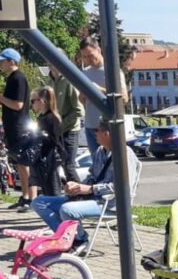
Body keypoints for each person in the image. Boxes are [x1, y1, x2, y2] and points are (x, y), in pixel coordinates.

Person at [31, 123, 137, 256]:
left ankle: (80, 240)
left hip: (110, 203)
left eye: (97, 131)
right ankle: (64, 238)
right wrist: (76, 187)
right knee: (39, 202)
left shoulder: (125, 154)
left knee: (67, 209)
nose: (95, 134)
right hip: (92, 198)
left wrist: (91, 189)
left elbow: (121, 187)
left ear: (107, 133)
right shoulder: (100, 151)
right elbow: (93, 176)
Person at [0, 48, 33, 212]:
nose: (0, 64)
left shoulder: (18, 78)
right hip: (12, 127)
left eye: (2, 61)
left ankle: (30, 198)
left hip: (20, 126)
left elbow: (18, 104)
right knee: (19, 164)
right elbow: (4, 102)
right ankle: (24, 196)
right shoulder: (11, 79)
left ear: (12, 62)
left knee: (24, 163)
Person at [78, 36, 127, 158]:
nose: (88, 59)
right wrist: (83, 95)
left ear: (98, 50)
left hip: (108, 128)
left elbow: (124, 98)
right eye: (84, 57)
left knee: (112, 163)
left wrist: (99, 91)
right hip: (90, 126)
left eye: (90, 55)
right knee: (97, 164)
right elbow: (81, 99)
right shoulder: (85, 73)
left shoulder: (112, 71)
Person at [50, 50, 82, 183]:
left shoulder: (69, 80)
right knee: (60, 165)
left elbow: (79, 111)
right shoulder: (53, 80)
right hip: (59, 130)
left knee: (69, 166)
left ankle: (81, 197)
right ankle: (72, 195)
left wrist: (61, 126)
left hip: (70, 130)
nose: (49, 62)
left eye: (52, 59)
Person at [30, 86, 64, 197]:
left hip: (52, 157)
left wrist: (40, 136)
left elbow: (55, 140)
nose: (32, 104)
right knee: (46, 187)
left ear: (42, 101)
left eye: (33, 101)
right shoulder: (41, 118)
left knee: (53, 187)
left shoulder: (51, 118)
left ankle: (57, 210)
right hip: (43, 157)